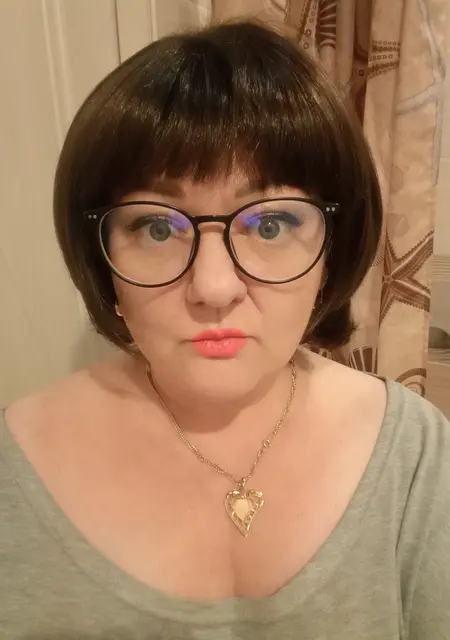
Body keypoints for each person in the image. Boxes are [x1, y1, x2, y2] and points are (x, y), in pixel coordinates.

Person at [1, 19, 449, 639]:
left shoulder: (414, 454)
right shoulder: (16, 467)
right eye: (157, 227)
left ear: (331, 250)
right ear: (101, 259)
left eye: (270, 225)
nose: (214, 288)